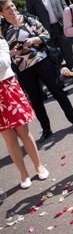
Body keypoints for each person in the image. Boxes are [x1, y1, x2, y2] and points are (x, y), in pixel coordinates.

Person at [0, 0, 73, 144]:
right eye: (8, 8)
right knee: (36, 100)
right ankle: (46, 130)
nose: (12, 9)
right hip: (23, 68)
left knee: (58, 91)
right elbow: (2, 50)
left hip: (42, 61)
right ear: (1, 13)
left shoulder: (29, 19)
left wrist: (33, 40)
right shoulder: (2, 29)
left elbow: (46, 35)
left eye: (13, 5)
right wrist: (10, 53)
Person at [0, 35, 49, 189]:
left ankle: (39, 166)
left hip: (9, 88)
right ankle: (23, 174)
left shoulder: (0, 41)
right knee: (9, 139)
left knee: (24, 132)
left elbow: (4, 62)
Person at [26, 0, 73, 69]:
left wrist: (70, 22)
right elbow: (31, 18)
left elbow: (65, 6)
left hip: (61, 26)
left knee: (68, 50)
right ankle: (59, 75)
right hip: (46, 31)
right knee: (53, 54)